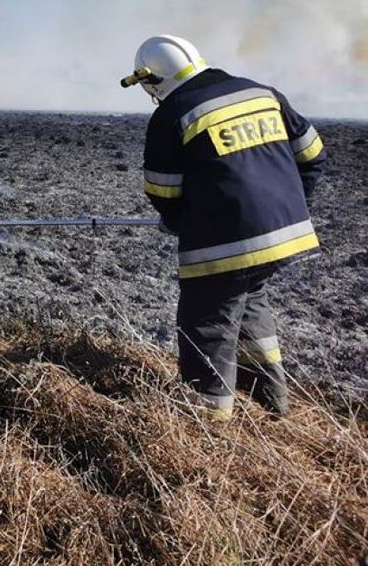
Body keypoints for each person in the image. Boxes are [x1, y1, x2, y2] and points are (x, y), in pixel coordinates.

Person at [121, 35, 325, 419]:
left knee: (206, 323)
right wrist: (291, 205)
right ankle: (271, 406)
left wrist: (180, 223)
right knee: (249, 304)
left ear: (151, 79)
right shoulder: (262, 92)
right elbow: (313, 153)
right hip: (286, 234)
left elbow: (162, 189)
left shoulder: (173, 112)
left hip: (224, 246)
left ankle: (208, 425)